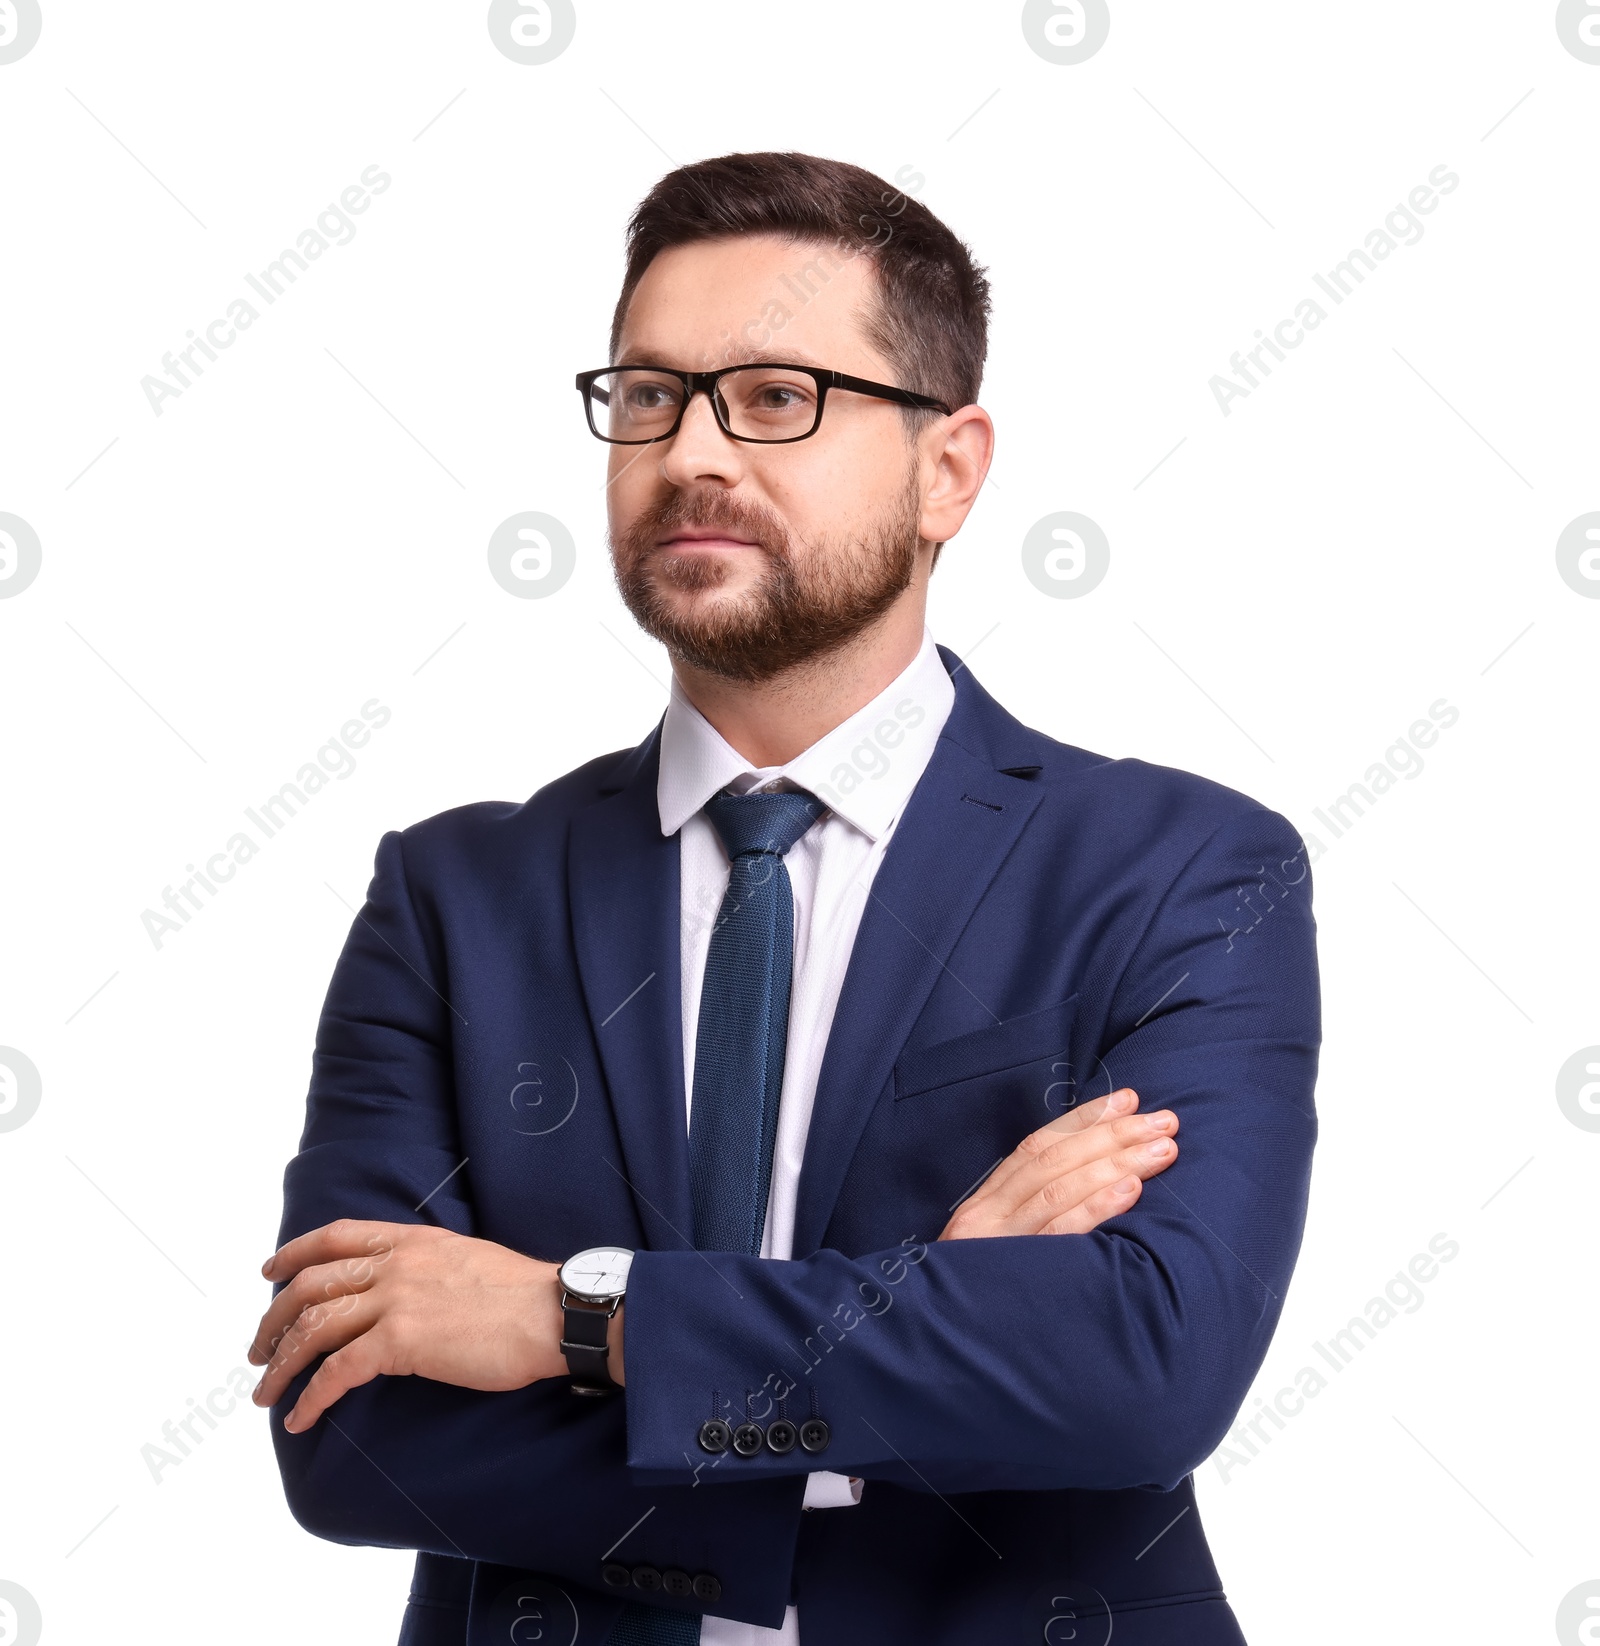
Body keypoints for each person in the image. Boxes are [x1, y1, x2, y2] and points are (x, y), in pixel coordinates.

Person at [251, 152, 1319, 1646]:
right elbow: (348, 1428)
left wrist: (574, 1319)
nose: (694, 450)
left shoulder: (1183, 868)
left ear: (949, 467)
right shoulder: (451, 896)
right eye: (647, 394)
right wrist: (930, 1309)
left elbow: (1144, 1369)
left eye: (774, 396)